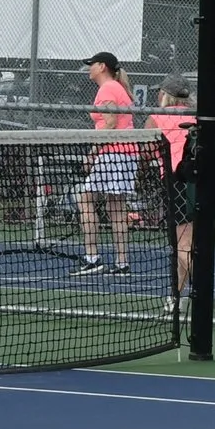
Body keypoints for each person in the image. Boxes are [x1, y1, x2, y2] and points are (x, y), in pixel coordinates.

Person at [77, 51, 138, 272]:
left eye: (92, 64)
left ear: (102, 66)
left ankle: (92, 258)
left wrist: (93, 153)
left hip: (114, 153)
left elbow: (110, 123)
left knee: (85, 199)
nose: (89, 68)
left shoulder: (108, 88)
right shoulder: (115, 88)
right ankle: (122, 263)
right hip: (124, 154)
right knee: (116, 208)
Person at [151, 79, 197, 294]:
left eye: (159, 92)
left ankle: (204, 294)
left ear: (165, 95)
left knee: (183, 243)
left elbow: (146, 151)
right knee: (186, 241)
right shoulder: (197, 117)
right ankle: (175, 298)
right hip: (199, 180)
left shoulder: (156, 118)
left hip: (175, 181)